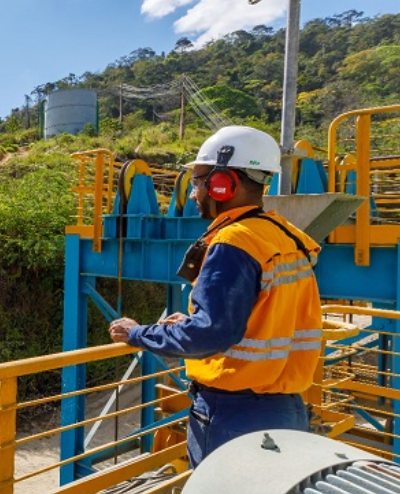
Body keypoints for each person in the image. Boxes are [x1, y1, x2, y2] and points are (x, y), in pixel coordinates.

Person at [108, 126, 322, 468]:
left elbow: (212, 334)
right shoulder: (284, 236)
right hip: (285, 408)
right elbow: (261, 315)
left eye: (198, 181)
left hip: (235, 416)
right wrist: (195, 323)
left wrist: (137, 333)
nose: (194, 194)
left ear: (224, 184)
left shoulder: (235, 242)